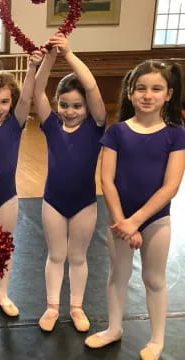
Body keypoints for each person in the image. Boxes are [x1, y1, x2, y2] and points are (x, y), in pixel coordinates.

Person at [85, 60, 185, 360]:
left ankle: (157, 339)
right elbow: (107, 179)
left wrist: (137, 221)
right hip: (118, 218)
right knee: (117, 275)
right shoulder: (117, 132)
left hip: (155, 220)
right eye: (141, 88)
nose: (147, 95)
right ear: (130, 92)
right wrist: (121, 220)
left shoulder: (176, 134)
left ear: (168, 94)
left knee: (154, 279)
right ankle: (114, 328)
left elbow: (171, 186)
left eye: (156, 89)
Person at [33, 34, 107, 332]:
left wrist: (70, 54)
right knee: (56, 255)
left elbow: (91, 87)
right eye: (64, 104)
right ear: (57, 104)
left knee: (77, 257)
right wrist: (50, 57)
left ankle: (76, 306)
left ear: (88, 108)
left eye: (77, 106)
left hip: (85, 203)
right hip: (53, 201)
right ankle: (52, 306)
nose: (71, 111)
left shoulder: (96, 126)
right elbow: (37, 90)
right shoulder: (51, 125)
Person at [0, 50, 44, 317]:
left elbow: (27, 96)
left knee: (4, 245)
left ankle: (3, 293)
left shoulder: (15, 124)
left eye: (4, 101)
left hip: (7, 196)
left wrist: (33, 67)